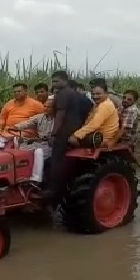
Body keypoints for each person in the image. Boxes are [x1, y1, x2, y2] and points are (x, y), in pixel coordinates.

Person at [41, 71, 82, 200]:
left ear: (65, 80)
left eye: (57, 81)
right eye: (53, 82)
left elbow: (60, 115)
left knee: (56, 157)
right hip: (74, 126)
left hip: (66, 129)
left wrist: (53, 134)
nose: (55, 84)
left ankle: (53, 189)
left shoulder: (63, 94)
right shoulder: (72, 93)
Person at [13, 96, 55, 183]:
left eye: (49, 107)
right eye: (45, 106)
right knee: (20, 148)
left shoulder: (57, 120)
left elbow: (51, 136)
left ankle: (37, 178)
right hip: (38, 142)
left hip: (49, 144)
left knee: (39, 151)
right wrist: (16, 127)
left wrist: (40, 139)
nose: (46, 108)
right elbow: (28, 122)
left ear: (54, 108)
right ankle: (20, 174)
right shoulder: (40, 117)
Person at [0, 83, 45, 149]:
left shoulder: (36, 104)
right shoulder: (9, 103)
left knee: (18, 140)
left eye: (19, 91)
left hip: (26, 131)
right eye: (15, 92)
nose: (17, 93)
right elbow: (2, 117)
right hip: (8, 130)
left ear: (25, 91)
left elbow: (44, 118)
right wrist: (1, 127)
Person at [69, 83, 120, 148]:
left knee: (70, 142)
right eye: (93, 94)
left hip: (102, 138)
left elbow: (94, 124)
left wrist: (76, 135)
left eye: (98, 94)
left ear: (106, 94)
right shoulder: (98, 104)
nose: (95, 97)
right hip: (97, 134)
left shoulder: (105, 105)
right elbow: (89, 120)